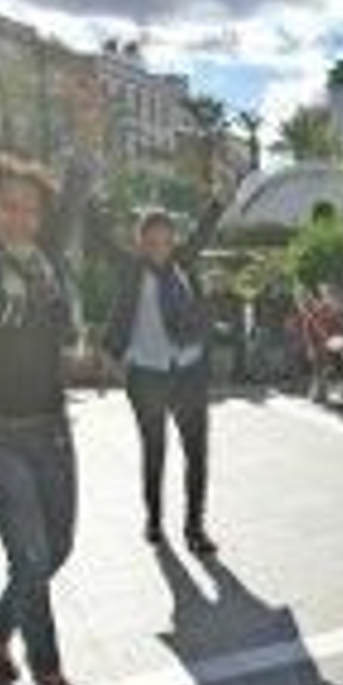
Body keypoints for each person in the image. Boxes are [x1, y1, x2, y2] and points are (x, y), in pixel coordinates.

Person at [0, 153, 87, 685]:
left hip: (50, 429)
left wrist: (84, 141)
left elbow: (76, 193)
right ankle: (49, 671)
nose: (20, 217)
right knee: (32, 557)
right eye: (7, 206)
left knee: (55, 551)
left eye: (30, 209)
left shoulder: (48, 265)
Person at [96, 196, 225, 555]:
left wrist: (217, 200)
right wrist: (88, 199)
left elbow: (204, 231)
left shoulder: (183, 263)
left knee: (196, 454)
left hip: (188, 370)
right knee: (155, 450)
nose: (160, 248)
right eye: (152, 241)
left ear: (173, 240)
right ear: (140, 242)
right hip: (147, 375)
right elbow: (101, 240)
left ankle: (195, 527)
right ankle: (154, 519)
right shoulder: (130, 269)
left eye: (166, 240)